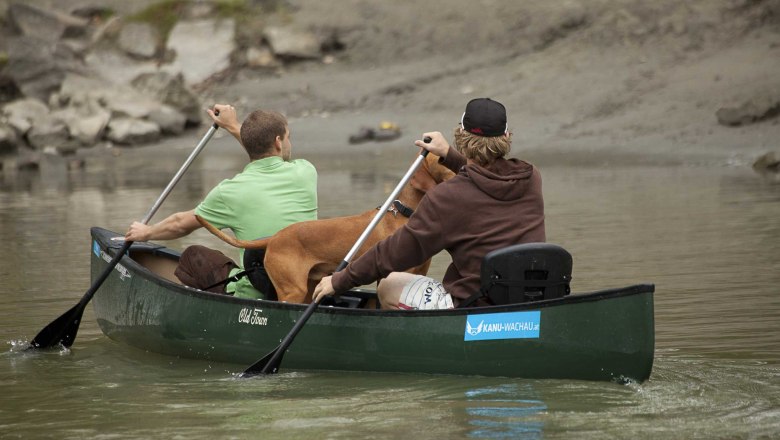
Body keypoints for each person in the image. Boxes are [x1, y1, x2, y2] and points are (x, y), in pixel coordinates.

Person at [313, 98, 545, 309]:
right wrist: (449, 155)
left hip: (476, 305)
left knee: (388, 284)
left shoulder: (448, 196)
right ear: (505, 137)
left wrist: (340, 279)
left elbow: (395, 252)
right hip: (532, 298)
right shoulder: (530, 177)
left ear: (460, 136)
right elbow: (484, 177)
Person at [125, 104, 318, 299]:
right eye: (288, 138)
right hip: (307, 287)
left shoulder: (229, 192)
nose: (289, 144)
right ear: (278, 142)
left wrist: (146, 232)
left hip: (259, 291)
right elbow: (263, 151)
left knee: (193, 255)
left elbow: (180, 224)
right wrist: (233, 125)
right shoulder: (305, 172)